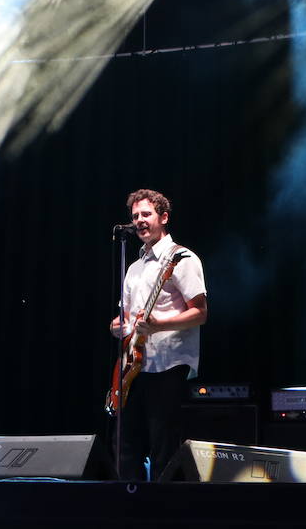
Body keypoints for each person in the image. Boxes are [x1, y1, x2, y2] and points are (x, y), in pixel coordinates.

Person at [108, 188, 207, 481]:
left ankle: (163, 511)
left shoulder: (182, 258)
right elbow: (126, 318)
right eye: (135, 215)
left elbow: (200, 313)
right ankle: (130, 506)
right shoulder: (135, 267)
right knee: (124, 442)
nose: (139, 220)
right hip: (134, 366)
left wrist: (159, 323)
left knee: (164, 445)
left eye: (146, 214)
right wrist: (118, 326)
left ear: (163, 218)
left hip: (168, 364)